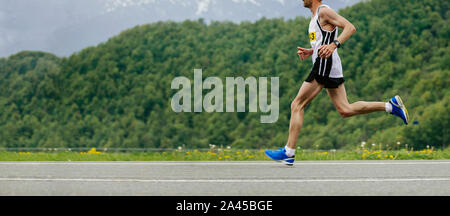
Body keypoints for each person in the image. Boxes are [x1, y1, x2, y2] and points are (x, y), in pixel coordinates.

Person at [265, 0, 409, 166]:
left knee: (297, 104)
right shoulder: (315, 17)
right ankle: (391, 106)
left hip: (325, 64)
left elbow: (350, 27)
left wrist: (334, 45)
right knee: (345, 109)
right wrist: (311, 51)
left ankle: (289, 152)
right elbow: (323, 39)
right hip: (329, 65)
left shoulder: (324, 12)